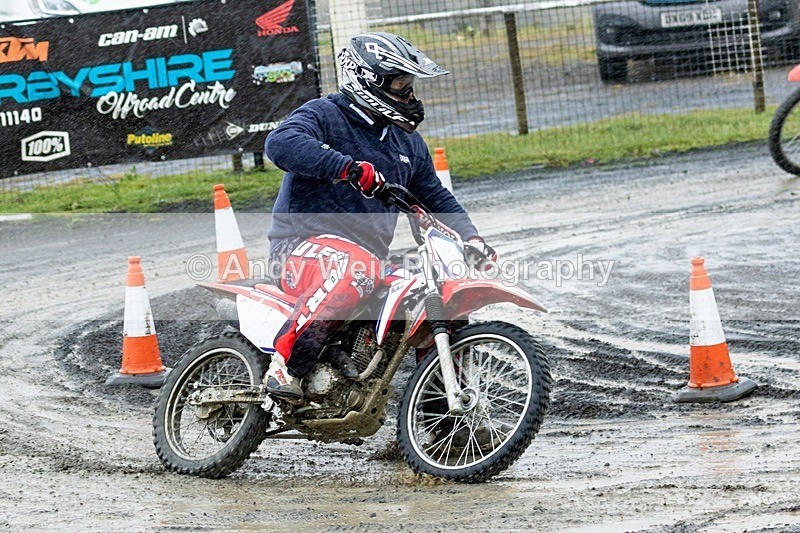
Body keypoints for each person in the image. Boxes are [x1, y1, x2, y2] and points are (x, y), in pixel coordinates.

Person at [263, 32, 495, 400]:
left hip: (367, 260)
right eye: (400, 85)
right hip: (298, 249)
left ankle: (443, 416)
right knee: (358, 267)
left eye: (410, 85)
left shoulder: (407, 143)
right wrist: (348, 169)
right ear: (368, 80)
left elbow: (435, 196)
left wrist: (472, 238)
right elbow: (280, 144)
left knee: (433, 293)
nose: (410, 95)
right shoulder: (325, 114)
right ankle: (285, 367)